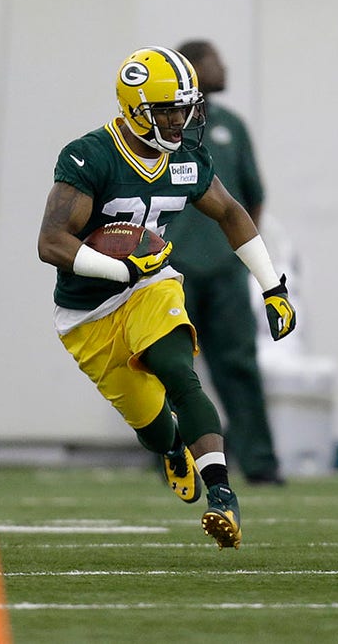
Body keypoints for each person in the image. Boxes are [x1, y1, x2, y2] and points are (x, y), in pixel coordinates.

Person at [37, 46, 298, 549]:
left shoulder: (186, 159)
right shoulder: (90, 155)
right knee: (154, 427)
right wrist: (120, 266)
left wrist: (272, 286)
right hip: (86, 312)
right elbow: (51, 243)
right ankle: (172, 447)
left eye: (186, 107)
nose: (182, 120)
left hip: (151, 285)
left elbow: (231, 213)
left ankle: (222, 496)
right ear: (136, 108)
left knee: (178, 369)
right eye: (170, 110)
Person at [161, 39, 283, 485]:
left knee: (239, 366)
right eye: (214, 59)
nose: (223, 66)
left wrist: (246, 257)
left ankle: (260, 462)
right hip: (172, 270)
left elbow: (252, 199)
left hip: (225, 271)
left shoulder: (232, 125)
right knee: (172, 369)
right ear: (190, 69)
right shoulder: (160, 129)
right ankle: (177, 461)